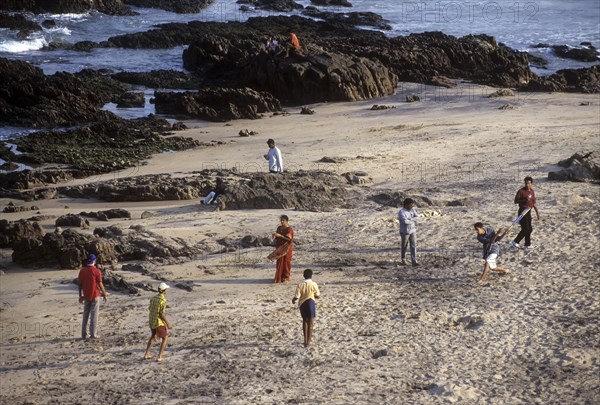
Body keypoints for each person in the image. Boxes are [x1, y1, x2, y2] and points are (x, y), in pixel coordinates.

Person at [78, 253, 108, 340]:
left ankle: (83, 334)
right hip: (95, 294)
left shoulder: (82, 271)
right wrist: (105, 294)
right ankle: (93, 334)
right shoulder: (96, 271)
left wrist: (80, 295)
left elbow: (79, 284)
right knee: (94, 315)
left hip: (86, 295)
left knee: (85, 315)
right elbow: (100, 283)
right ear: (95, 261)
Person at [144, 282, 172, 362]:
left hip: (151, 320)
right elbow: (161, 313)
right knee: (165, 338)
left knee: (153, 336)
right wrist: (168, 323)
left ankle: (147, 353)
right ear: (164, 290)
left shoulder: (154, 298)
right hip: (158, 321)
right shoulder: (162, 300)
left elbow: (150, 308)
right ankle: (159, 356)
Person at [292, 269, 320, 348]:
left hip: (302, 304)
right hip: (310, 302)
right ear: (311, 276)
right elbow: (317, 295)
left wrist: (293, 300)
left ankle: (305, 341)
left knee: (305, 321)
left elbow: (297, 296)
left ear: (303, 275)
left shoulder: (300, 284)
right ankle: (309, 341)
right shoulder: (314, 284)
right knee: (311, 321)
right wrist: (313, 295)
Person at [511, 176, 541, 250]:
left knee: (529, 229)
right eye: (526, 183)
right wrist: (524, 200)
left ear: (531, 184)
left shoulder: (532, 191)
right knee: (525, 229)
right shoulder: (521, 191)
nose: (527, 185)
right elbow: (515, 201)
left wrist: (537, 213)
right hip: (522, 211)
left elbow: (534, 203)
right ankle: (515, 241)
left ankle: (527, 244)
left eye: (528, 183)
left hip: (529, 211)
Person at [269, 215, 294, 283]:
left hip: (286, 248)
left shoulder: (289, 229)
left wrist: (280, 236)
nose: (282, 222)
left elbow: (289, 239)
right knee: (279, 262)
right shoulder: (279, 228)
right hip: (280, 247)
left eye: (283, 220)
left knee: (286, 262)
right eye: (281, 220)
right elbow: (277, 237)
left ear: (287, 221)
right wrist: (275, 235)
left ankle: (286, 277)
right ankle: (279, 277)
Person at [398, 198, 420, 266]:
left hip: (413, 231)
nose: (412, 206)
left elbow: (418, 217)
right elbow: (405, 222)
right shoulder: (401, 212)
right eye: (411, 205)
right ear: (406, 205)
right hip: (405, 231)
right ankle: (403, 259)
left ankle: (414, 261)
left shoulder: (412, 210)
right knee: (404, 246)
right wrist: (413, 220)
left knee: (413, 246)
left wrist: (410, 219)